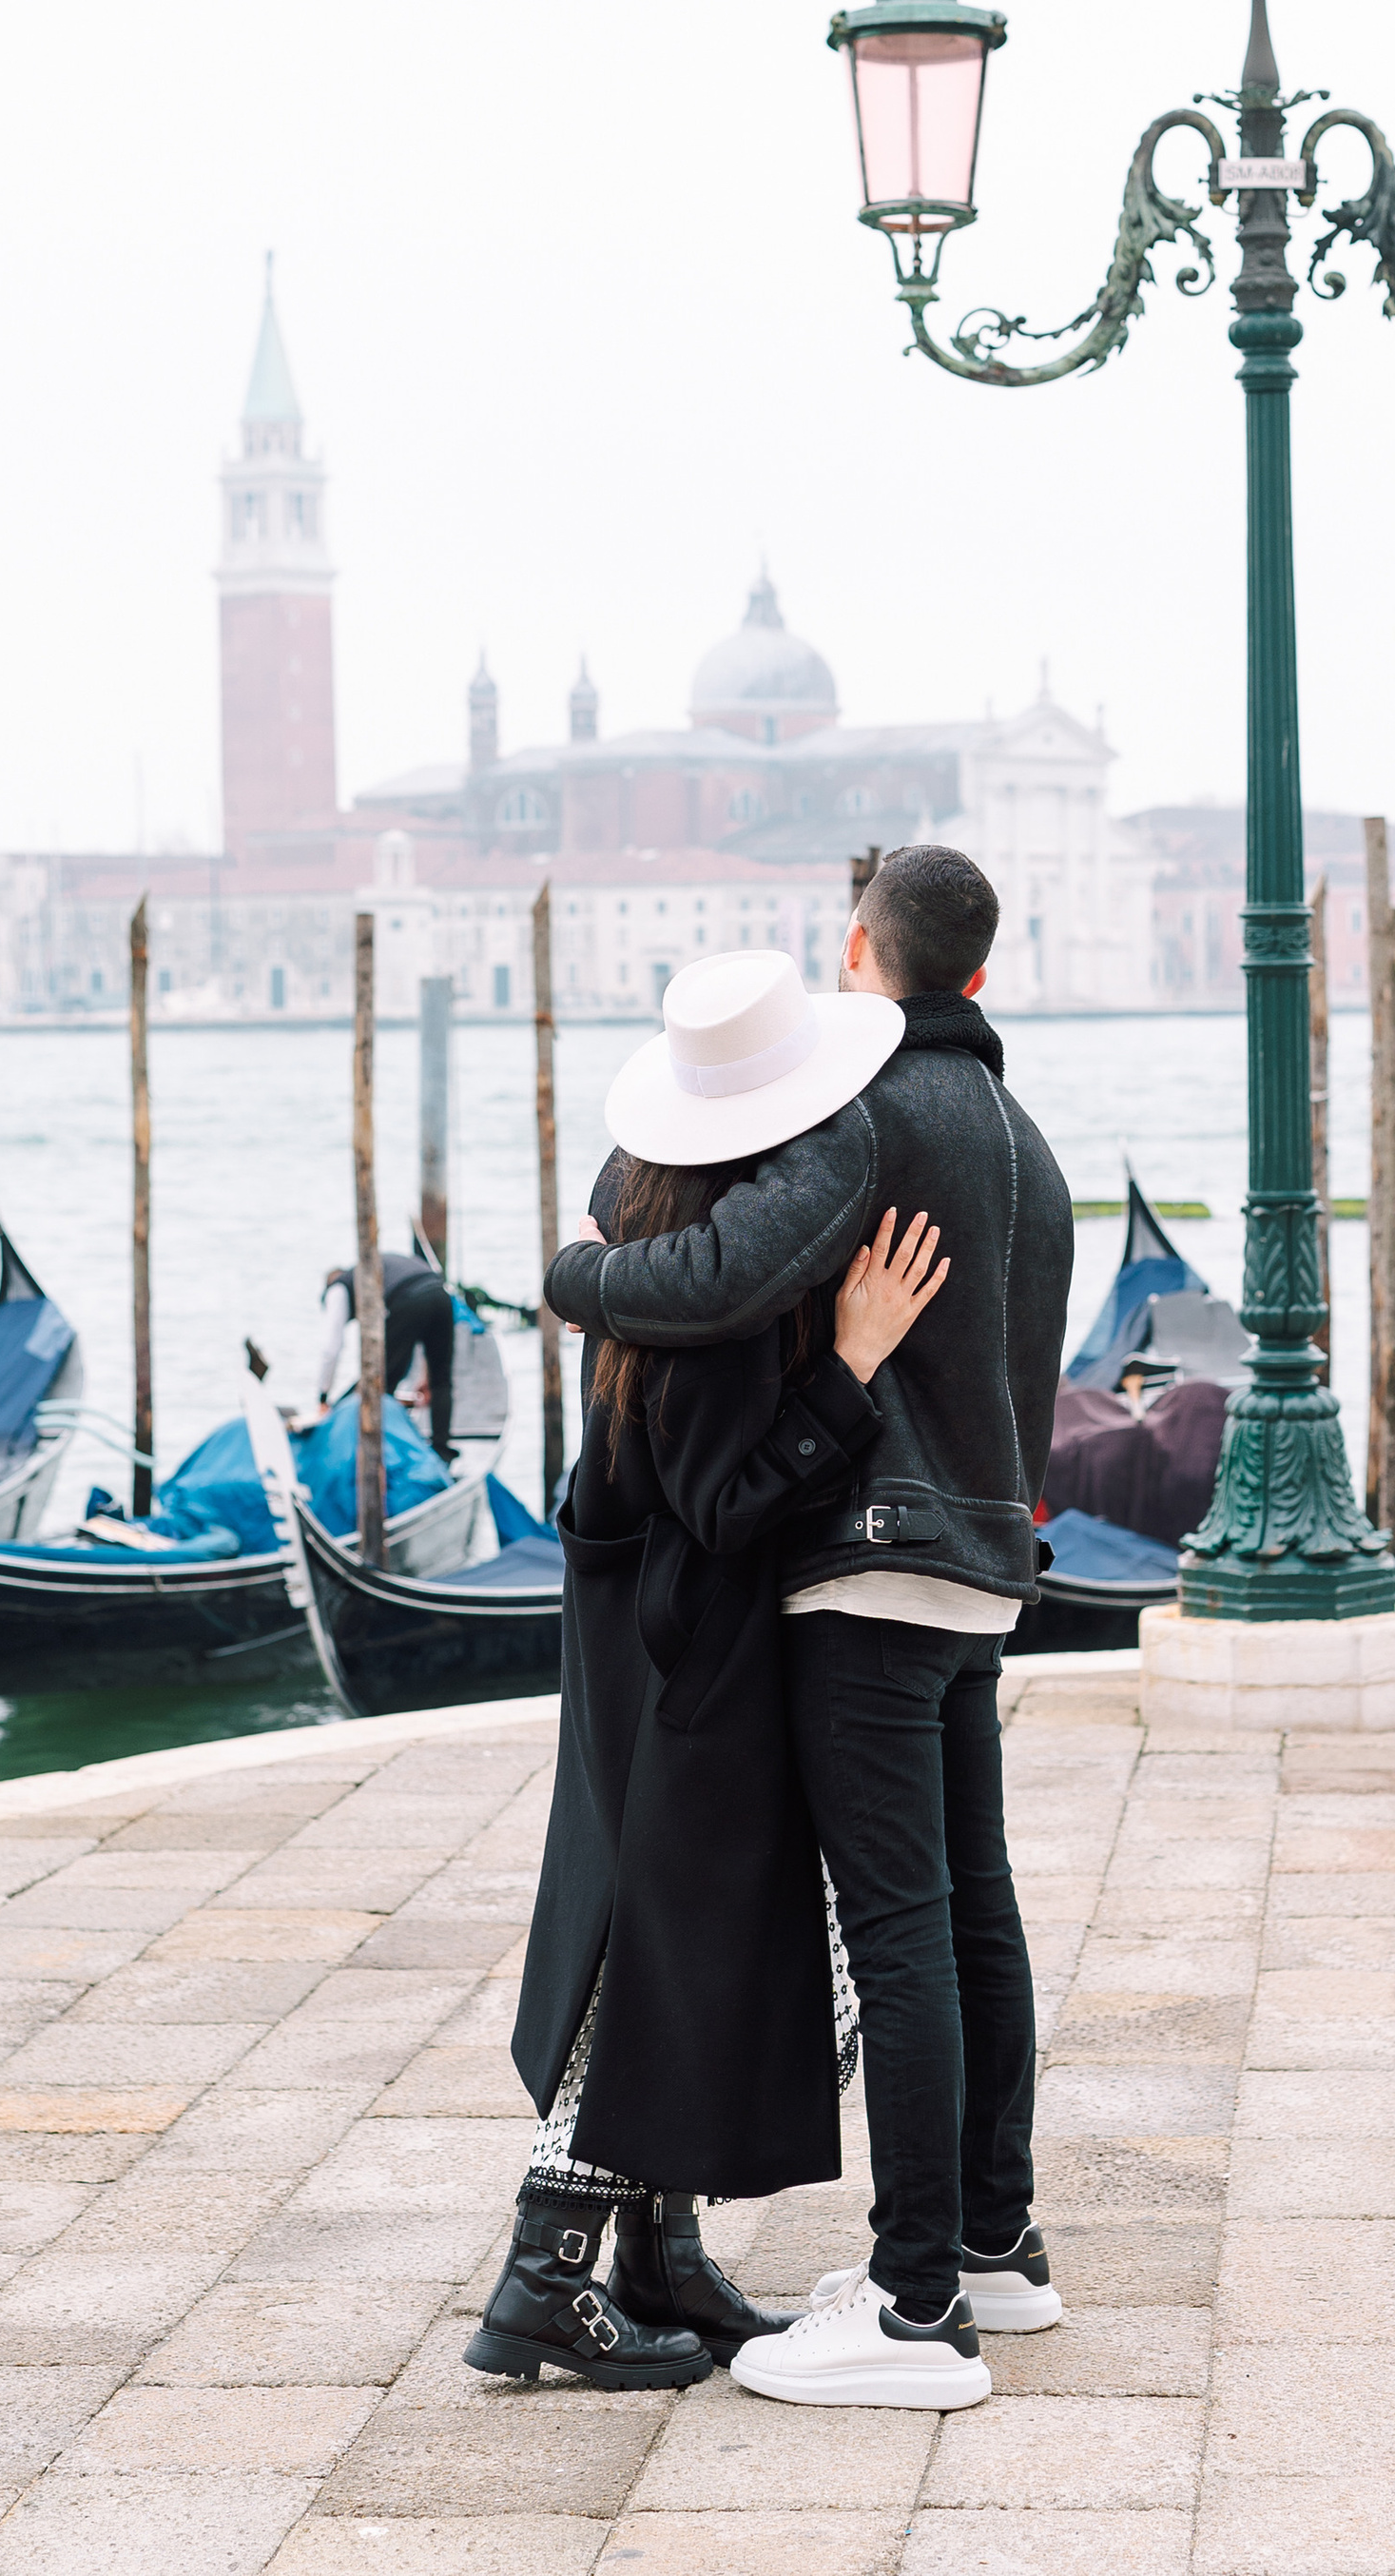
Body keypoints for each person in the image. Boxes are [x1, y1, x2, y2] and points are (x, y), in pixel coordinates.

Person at [546, 841, 1075, 2411]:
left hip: (863, 1563)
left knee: (900, 1927)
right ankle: (995, 2243)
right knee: (974, 1910)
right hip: (980, 1565)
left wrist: (577, 1268)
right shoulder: (1025, 1140)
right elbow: (1024, 1380)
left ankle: (913, 2310)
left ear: (862, 951)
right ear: (981, 969)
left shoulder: (864, 1116)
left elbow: (716, 1270)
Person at [468, 949, 949, 2391]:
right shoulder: (721, 1298)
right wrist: (851, 1371)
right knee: (669, 1960)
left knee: (670, 1935)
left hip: (637, 1641)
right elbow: (731, 1503)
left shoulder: (645, 1225)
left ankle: (658, 2252)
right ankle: (542, 2281)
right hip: (695, 1657)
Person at [316, 1237, 456, 1454]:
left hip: (409, 1298)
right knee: (441, 1381)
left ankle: (373, 1447)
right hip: (440, 1294)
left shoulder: (339, 1287)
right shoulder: (376, 1271)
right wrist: (425, 1376)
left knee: (380, 1381)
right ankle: (442, 1450)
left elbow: (331, 1348)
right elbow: (418, 1333)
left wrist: (323, 1398)